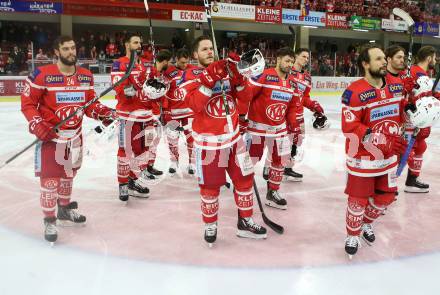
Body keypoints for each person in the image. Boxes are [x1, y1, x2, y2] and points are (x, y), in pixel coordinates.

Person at [21, 35, 115, 244]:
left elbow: (89, 104)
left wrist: (103, 113)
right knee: (50, 180)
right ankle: (49, 219)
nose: (71, 52)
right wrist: (37, 125)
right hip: (52, 138)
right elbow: (27, 103)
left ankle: (63, 209)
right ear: (56, 52)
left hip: (75, 137)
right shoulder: (41, 75)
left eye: (73, 48)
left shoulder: (85, 76)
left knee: (68, 175)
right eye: (66, 49)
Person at [179, 35, 267, 246]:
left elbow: (245, 98)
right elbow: (194, 105)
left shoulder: (225, 70)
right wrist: (209, 79)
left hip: (235, 140)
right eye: (204, 49)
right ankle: (210, 224)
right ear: (195, 54)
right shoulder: (189, 76)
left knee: (245, 181)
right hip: (209, 145)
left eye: (211, 48)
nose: (209, 52)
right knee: (210, 188)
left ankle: (245, 222)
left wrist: (237, 79)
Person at [341, 44, 407, 258]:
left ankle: (366, 224)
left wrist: (414, 116)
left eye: (383, 58)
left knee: (385, 198)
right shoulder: (353, 92)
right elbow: (350, 127)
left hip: (389, 157)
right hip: (363, 157)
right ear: (365, 64)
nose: (384, 62)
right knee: (358, 199)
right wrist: (380, 140)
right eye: (378, 59)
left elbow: (402, 113)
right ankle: (352, 234)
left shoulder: (396, 85)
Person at [240, 47, 299, 210]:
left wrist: (293, 123)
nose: (290, 64)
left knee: (280, 161)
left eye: (292, 62)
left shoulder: (293, 82)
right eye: (287, 60)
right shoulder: (264, 75)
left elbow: (292, 106)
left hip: (279, 129)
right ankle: (243, 188)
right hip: (257, 129)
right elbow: (247, 96)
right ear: (278, 59)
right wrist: (240, 117)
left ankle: (272, 192)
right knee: (251, 160)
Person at [111, 33, 167, 202]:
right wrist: (134, 89)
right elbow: (120, 88)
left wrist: (154, 86)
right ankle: (123, 184)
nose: (139, 45)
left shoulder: (143, 65)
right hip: (127, 116)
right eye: (135, 42)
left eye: (140, 43)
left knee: (143, 151)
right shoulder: (119, 63)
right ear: (127, 45)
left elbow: (147, 88)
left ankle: (132, 180)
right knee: (125, 151)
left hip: (145, 115)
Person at [277, 48, 328, 182]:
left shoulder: (307, 77)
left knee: (296, 141)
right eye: (303, 56)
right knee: (282, 142)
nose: (306, 59)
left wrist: (314, 106)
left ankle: (287, 168)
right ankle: (276, 168)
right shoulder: (287, 72)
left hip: (299, 115)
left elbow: (305, 97)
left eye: (307, 57)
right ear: (296, 56)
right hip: (285, 114)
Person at [400, 46, 438, 193]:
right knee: (406, 150)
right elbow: (422, 101)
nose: (435, 60)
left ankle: (411, 180)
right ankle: (391, 184)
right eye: (434, 58)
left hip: (406, 116)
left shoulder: (411, 71)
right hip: (415, 119)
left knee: (415, 148)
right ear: (429, 58)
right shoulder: (422, 77)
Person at [139, 49, 173, 178]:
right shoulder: (149, 73)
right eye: (169, 62)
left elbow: (163, 96)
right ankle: (142, 168)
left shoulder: (161, 75)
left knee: (154, 142)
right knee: (147, 142)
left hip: (158, 113)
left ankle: (150, 165)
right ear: (164, 61)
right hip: (149, 113)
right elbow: (145, 94)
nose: (170, 65)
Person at [162, 48, 196, 175]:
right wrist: (166, 111)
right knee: (172, 138)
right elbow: (164, 92)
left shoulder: (193, 69)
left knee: (191, 138)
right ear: (176, 59)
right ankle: (174, 162)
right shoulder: (168, 72)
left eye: (186, 62)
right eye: (182, 62)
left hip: (190, 111)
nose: (184, 65)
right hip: (174, 112)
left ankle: (192, 163)